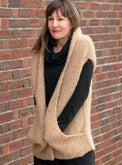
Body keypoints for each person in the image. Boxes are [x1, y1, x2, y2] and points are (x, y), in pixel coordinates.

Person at [27, 0, 96, 164]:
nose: (54, 24)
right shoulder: (40, 50)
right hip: (44, 148)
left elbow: (80, 94)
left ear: (72, 21)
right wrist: (45, 132)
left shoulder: (84, 45)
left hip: (73, 147)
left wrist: (55, 130)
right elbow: (38, 95)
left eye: (60, 19)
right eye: (50, 19)